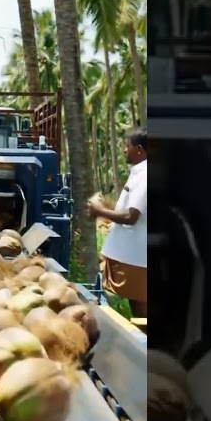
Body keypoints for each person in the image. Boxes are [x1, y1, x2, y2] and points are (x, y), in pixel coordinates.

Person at [90, 128, 148, 318]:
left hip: (137, 256)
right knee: (137, 303)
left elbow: (132, 216)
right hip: (133, 255)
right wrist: (108, 207)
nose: (124, 150)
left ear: (139, 149)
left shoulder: (145, 173)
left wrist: (99, 211)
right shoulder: (139, 172)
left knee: (141, 306)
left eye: (127, 146)